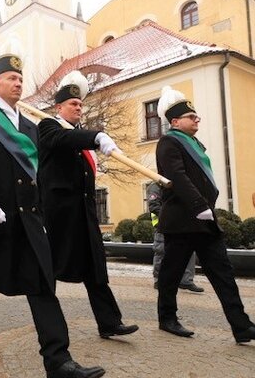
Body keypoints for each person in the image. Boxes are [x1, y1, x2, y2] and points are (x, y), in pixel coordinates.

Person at [0, 54, 105, 378]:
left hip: (27, 218)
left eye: (20, 78)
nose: (18, 82)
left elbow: (38, 174)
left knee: (42, 285)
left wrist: (43, 215)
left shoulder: (30, 126)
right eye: (11, 78)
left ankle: (58, 360)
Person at [37, 71, 139, 340]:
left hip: (84, 213)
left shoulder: (81, 135)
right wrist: (97, 137)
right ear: (59, 107)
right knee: (51, 269)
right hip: (59, 215)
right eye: (73, 104)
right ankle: (47, 322)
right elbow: (62, 141)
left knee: (95, 268)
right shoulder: (48, 127)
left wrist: (93, 138)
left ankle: (109, 322)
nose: (79, 108)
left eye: (81, 104)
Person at [155, 85, 255, 342]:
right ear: (175, 121)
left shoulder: (194, 144)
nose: (196, 118)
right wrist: (200, 205)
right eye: (191, 116)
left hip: (205, 221)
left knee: (223, 274)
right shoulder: (168, 142)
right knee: (171, 274)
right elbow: (177, 176)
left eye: (196, 115)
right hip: (182, 221)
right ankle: (167, 318)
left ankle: (241, 326)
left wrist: (206, 209)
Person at [147, 181, 204, 292]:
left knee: (188, 250)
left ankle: (186, 280)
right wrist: (170, 216)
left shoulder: (179, 183)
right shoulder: (156, 186)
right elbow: (154, 206)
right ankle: (159, 279)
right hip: (163, 225)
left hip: (182, 224)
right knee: (161, 251)